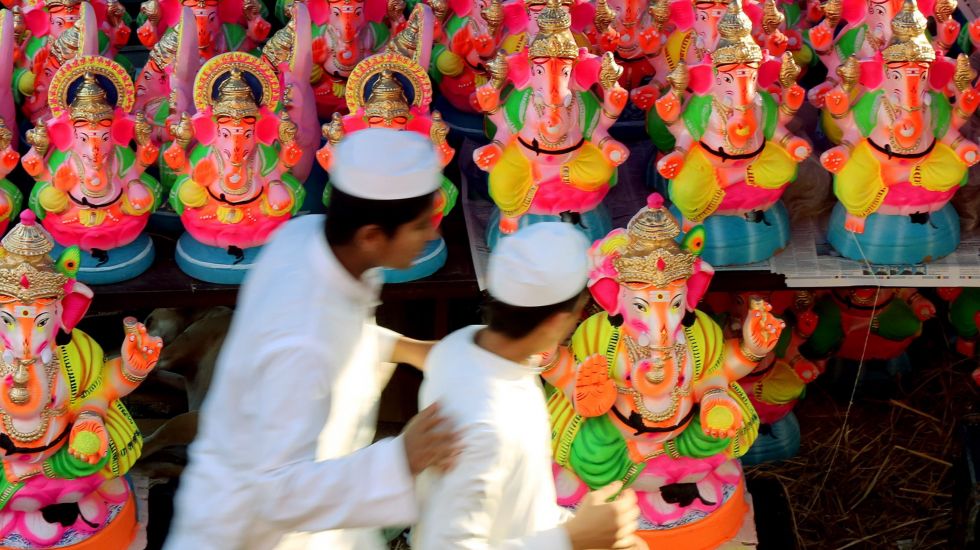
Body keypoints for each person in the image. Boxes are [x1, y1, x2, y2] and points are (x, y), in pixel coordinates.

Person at [164, 129, 458, 550]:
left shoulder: (308, 239)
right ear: (372, 236)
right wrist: (401, 459)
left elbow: (337, 334)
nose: (431, 235)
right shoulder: (302, 339)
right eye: (418, 226)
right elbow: (277, 492)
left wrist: (409, 350)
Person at [414, 222, 644, 549]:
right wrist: (574, 537)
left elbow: (520, 508)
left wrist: (590, 532)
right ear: (558, 321)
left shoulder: (462, 346)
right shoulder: (490, 423)